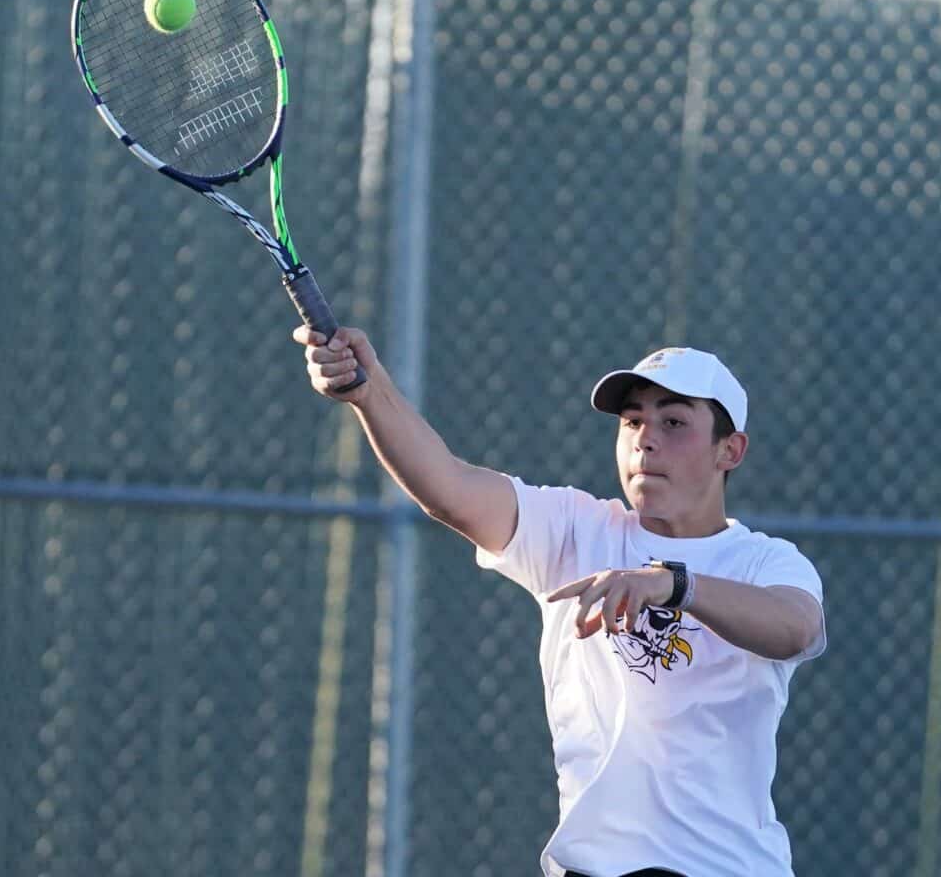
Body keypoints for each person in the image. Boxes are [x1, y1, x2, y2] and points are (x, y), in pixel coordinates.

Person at [296, 329, 826, 877]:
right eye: (632, 422)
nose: (645, 440)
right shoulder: (574, 530)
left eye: (673, 423)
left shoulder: (767, 564)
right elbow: (448, 487)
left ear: (729, 450)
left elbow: (796, 628)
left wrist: (673, 584)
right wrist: (369, 389)